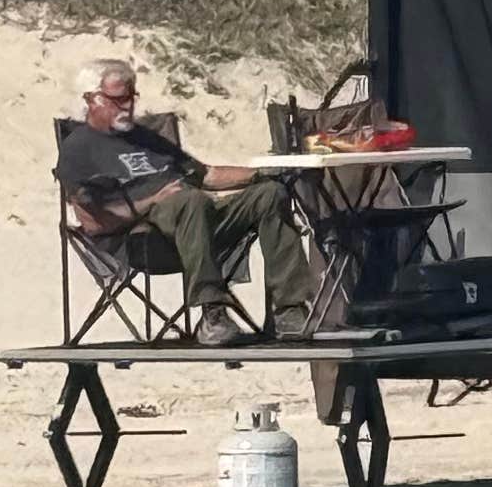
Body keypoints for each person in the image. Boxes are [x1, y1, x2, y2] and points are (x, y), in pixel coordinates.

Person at [58, 59, 310, 340]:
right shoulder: (78, 149)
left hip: (197, 223)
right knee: (191, 200)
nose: (128, 106)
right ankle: (213, 312)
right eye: (118, 100)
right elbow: (94, 224)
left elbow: (206, 175)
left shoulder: (146, 138)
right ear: (92, 99)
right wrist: (154, 199)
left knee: (269, 194)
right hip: (145, 240)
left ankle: (289, 310)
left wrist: (262, 173)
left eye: (131, 97)